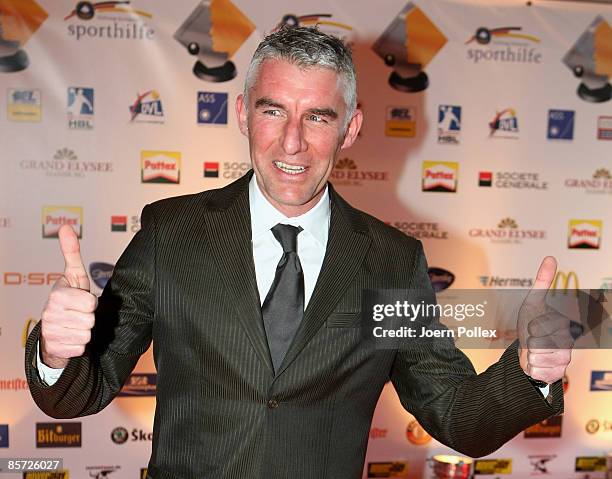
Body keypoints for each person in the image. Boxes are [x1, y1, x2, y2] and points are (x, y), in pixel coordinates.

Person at [25, 26, 571, 479]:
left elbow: (457, 417)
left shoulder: (389, 261)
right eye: (273, 111)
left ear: (350, 128)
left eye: (317, 116)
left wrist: (530, 373)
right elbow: (79, 395)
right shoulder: (173, 233)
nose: (292, 142)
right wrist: (58, 353)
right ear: (242, 114)